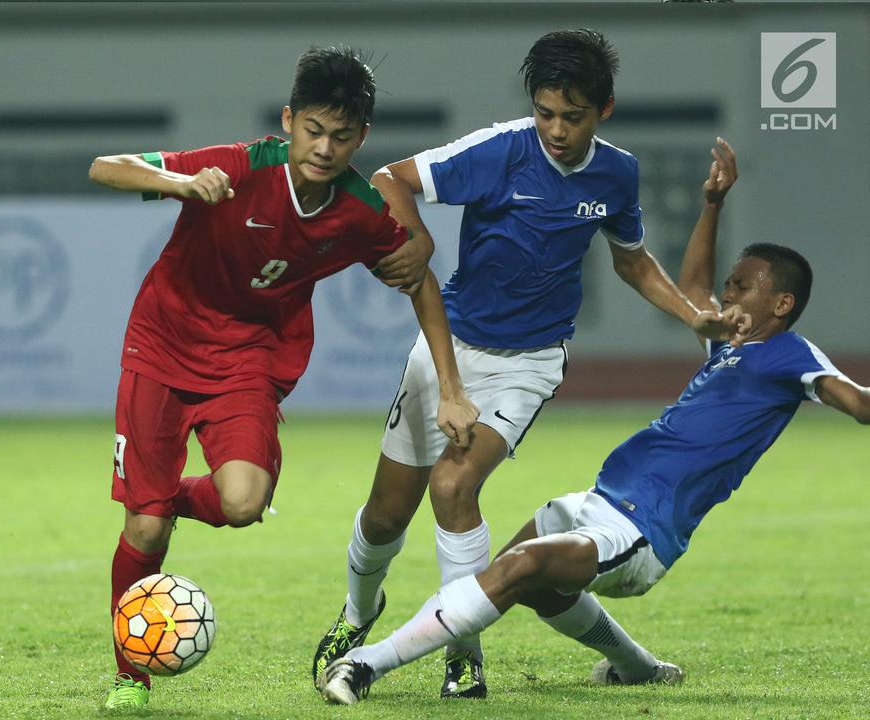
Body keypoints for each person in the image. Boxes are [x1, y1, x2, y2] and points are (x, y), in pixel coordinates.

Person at [320, 139, 870, 704]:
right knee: (531, 583)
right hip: (598, 500)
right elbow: (695, 288)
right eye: (729, 284)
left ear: (781, 305)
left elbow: (858, 404)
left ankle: (366, 664)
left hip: (642, 531)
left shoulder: (792, 356)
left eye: (742, 286)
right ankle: (637, 666)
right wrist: (712, 205)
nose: (726, 294)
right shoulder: (731, 346)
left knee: (518, 567)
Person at [312, 29, 746, 698]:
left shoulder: (617, 173)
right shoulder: (499, 150)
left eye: (572, 117)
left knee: (454, 487)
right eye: (545, 112)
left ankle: (464, 658)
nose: (556, 129)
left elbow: (629, 260)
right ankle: (358, 609)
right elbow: (388, 178)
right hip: (447, 346)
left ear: (604, 110)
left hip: (531, 362)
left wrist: (692, 316)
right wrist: (417, 239)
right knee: (384, 516)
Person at [89, 46, 478, 710]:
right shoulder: (241, 167)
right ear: (289, 120)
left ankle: (158, 502)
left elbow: (419, 278)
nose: (324, 148)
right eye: (313, 130)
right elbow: (103, 168)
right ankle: (132, 675)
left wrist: (450, 387)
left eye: (342, 135)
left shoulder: (357, 209)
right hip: (162, 345)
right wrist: (182, 184)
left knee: (242, 503)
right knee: (145, 536)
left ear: (362, 137)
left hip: (250, 360)